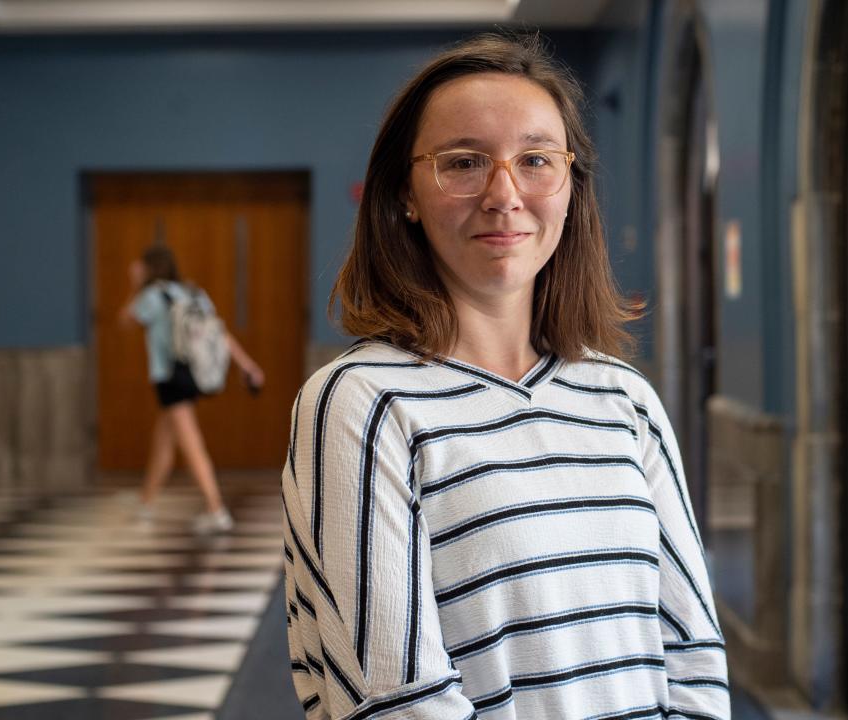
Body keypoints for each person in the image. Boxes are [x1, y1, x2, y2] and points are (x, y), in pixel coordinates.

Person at [281, 34, 730, 719]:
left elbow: (693, 653)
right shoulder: (364, 404)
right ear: (405, 193)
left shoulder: (623, 398)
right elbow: (397, 700)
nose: (504, 193)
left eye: (535, 160)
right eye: (463, 162)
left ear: (571, 188)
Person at [120, 245, 265, 535]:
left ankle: (216, 509)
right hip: (192, 375)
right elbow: (221, 334)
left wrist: (135, 287)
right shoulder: (195, 293)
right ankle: (145, 502)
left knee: (191, 444)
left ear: (148, 268)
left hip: (169, 377)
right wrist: (247, 365)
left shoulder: (152, 296)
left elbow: (124, 320)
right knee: (163, 442)